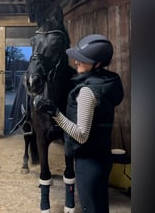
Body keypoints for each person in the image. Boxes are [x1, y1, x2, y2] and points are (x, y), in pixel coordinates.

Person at [34, 34, 124, 213]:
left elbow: (81, 135)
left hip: (88, 162)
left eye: (82, 59)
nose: (76, 62)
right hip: (103, 156)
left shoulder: (87, 92)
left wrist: (55, 112)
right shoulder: (109, 82)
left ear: (97, 64)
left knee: (90, 208)